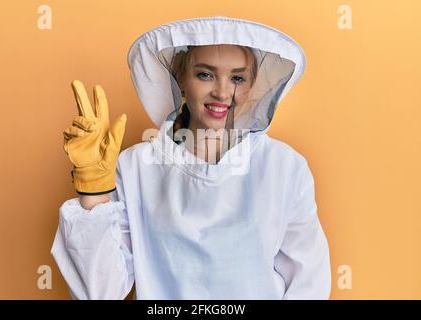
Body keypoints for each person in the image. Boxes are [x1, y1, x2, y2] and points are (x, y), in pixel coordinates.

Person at [51, 16, 331, 300]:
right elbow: (100, 292)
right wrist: (93, 188)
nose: (222, 92)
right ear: (181, 80)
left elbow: (309, 279)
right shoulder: (135, 167)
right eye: (205, 74)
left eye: (237, 78)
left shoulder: (284, 167)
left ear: (251, 86)